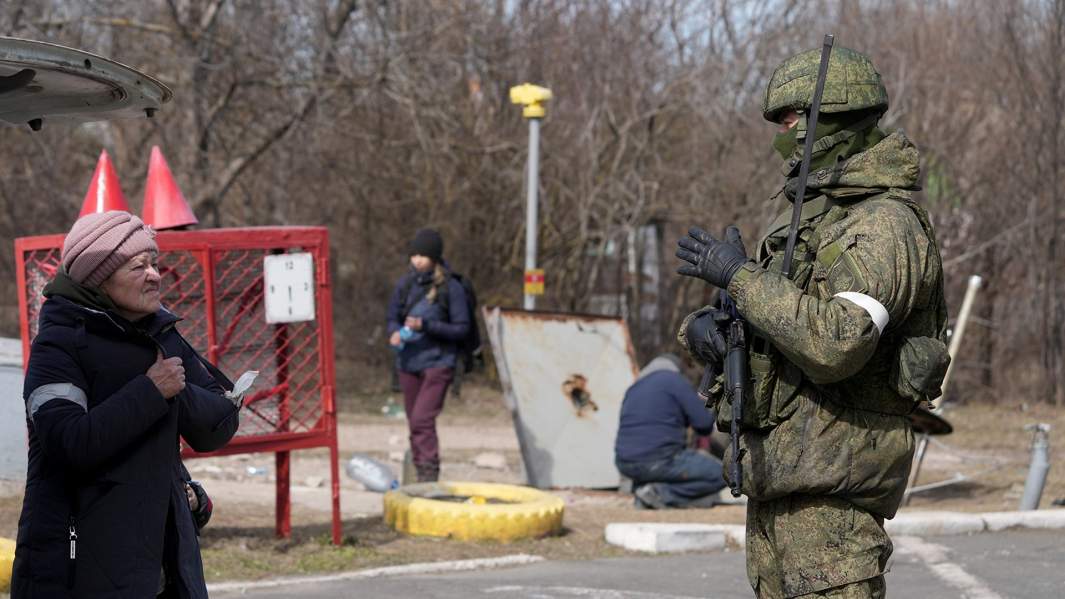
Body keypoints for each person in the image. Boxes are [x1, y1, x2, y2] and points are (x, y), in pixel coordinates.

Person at [675, 47, 949, 598]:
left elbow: (835, 342)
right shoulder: (809, 223)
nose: (783, 132)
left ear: (838, 118)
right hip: (777, 486)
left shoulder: (885, 226)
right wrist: (706, 331)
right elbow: (775, 320)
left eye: (793, 118)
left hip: (834, 500)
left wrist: (740, 277)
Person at [12, 211, 240, 599]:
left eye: (154, 263)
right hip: (75, 571)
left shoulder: (161, 335)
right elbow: (68, 443)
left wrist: (188, 495)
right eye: (139, 266)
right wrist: (151, 391)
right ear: (99, 277)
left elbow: (217, 425)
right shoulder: (59, 345)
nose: (154, 275)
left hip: (166, 570)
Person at [386, 228, 470, 482]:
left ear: (434, 257)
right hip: (409, 361)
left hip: (439, 362)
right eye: (414, 255)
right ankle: (420, 470)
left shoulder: (451, 288)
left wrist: (427, 326)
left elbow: (462, 328)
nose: (417, 260)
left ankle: (428, 474)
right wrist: (394, 332)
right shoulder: (405, 284)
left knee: (423, 419)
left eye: (423, 255)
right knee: (414, 422)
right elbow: (392, 317)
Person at [614, 354, 728, 509]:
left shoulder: (634, 387)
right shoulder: (674, 381)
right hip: (659, 460)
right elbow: (704, 424)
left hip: (625, 463)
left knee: (656, 466)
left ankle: (643, 491)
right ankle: (660, 493)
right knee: (724, 474)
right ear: (677, 368)